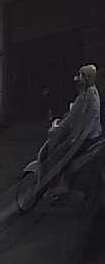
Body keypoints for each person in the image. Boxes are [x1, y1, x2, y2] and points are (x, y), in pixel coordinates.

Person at [45, 64, 102, 197]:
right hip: (81, 134)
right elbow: (75, 113)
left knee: (61, 153)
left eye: (82, 76)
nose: (78, 78)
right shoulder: (85, 92)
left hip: (88, 137)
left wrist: (78, 137)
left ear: (88, 77)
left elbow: (91, 118)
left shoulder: (91, 95)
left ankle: (63, 184)